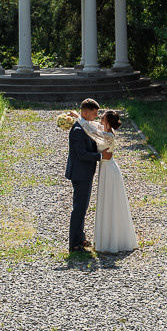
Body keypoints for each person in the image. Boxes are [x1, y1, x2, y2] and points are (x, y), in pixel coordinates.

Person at [82, 110, 138, 254]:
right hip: (107, 168)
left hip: (109, 170)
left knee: (110, 201)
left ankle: (112, 239)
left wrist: (79, 120)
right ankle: (109, 236)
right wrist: (78, 116)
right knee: (108, 201)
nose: (100, 118)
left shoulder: (107, 135)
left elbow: (89, 130)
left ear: (107, 121)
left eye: (103, 117)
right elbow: (93, 125)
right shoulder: (106, 130)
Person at [65, 98, 110, 253]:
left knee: (83, 208)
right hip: (80, 173)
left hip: (85, 172)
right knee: (79, 208)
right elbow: (82, 154)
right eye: (94, 114)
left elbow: (91, 127)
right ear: (85, 113)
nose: (95, 117)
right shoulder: (77, 131)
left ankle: (81, 237)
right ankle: (74, 244)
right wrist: (101, 156)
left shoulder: (84, 124)